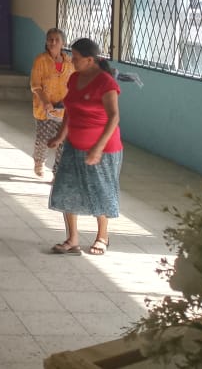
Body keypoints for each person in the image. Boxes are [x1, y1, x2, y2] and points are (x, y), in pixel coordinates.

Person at [47, 38, 122, 256]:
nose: (72, 61)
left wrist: (98, 148)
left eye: (76, 58)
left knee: (100, 190)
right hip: (74, 145)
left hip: (103, 149)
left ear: (90, 60)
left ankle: (102, 237)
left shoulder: (106, 83)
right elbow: (70, 109)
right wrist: (60, 136)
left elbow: (114, 117)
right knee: (66, 189)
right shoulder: (74, 78)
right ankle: (72, 239)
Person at [29, 27, 74, 178]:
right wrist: (46, 102)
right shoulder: (40, 60)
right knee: (43, 140)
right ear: (46, 42)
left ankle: (57, 173)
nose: (53, 42)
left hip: (64, 111)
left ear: (63, 43)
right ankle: (39, 162)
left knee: (63, 143)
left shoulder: (69, 62)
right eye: (50, 39)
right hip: (45, 110)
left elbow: (74, 84)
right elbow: (35, 85)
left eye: (57, 40)